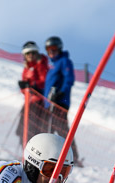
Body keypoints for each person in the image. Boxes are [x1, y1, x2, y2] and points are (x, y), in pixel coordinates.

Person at [43, 36, 81, 165]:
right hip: (50, 103)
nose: (51, 52)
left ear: (59, 48)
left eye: (54, 49)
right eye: (48, 49)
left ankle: (73, 157)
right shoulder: (53, 65)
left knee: (61, 129)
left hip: (60, 102)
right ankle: (51, 156)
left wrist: (60, 93)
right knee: (49, 129)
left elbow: (69, 79)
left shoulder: (64, 61)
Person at [15, 41, 50, 147]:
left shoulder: (42, 65)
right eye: (28, 54)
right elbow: (25, 89)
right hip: (29, 103)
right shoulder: (27, 68)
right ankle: (24, 154)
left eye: (33, 53)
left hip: (39, 103)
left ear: (36, 53)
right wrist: (24, 88)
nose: (30, 56)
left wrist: (35, 87)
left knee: (34, 131)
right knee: (22, 130)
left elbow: (45, 82)